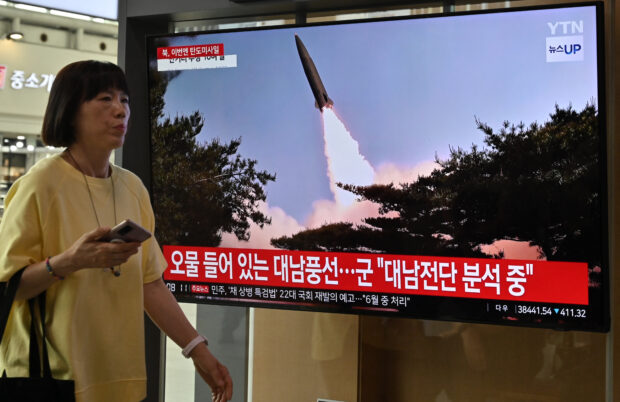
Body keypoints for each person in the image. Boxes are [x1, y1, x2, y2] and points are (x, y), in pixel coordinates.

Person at [0, 60, 233, 402]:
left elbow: (150, 284)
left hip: (122, 381)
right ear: (70, 111)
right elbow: (9, 287)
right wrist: (68, 262)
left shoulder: (132, 188)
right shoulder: (39, 185)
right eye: (105, 99)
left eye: (124, 100)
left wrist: (197, 349)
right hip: (52, 380)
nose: (120, 110)